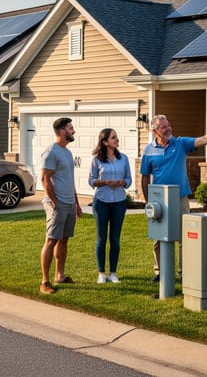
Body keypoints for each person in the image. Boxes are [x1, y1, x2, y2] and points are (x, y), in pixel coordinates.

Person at [140, 114, 207, 282]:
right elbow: (144, 176)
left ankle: (183, 273)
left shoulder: (180, 143)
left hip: (179, 199)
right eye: (164, 127)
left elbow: (205, 139)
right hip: (159, 201)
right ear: (155, 130)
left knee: (183, 238)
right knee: (159, 238)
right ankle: (160, 272)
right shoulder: (148, 150)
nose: (168, 129)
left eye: (169, 125)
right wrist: (147, 201)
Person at [39, 117, 82, 294]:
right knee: (51, 240)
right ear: (62, 131)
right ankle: (45, 282)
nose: (74, 131)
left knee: (64, 240)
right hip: (57, 204)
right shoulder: (51, 152)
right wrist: (55, 203)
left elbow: (70, 181)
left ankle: (60, 275)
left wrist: (77, 203)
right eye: (71, 128)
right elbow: (44, 179)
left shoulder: (67, 152)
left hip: (70, 203)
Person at [88, 128, 132, 284]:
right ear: (105, 142)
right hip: (101, 202)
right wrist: (104, 182)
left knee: (115, 238)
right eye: (114, 138)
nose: (117, 140)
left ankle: (113, 273)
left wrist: (123, 183)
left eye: (117, 137)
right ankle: (101, 273)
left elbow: (129, 179)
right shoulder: (96, 160)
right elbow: (91, 181)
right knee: (101, 238)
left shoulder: (124, 158)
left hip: (119, 202)